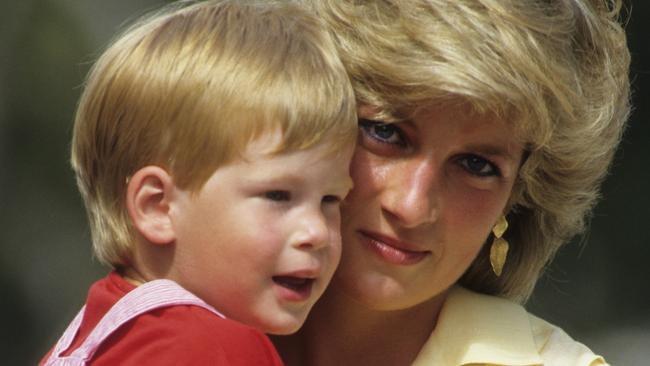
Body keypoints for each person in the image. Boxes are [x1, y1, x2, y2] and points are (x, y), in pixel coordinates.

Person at [273, 0, 630, 365]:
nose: (411, 207)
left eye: (476, 165)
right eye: (385, 131)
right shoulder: (213, 315)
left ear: (517, 198)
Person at [39, 0, 357, 365]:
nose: (316, 231)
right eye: (278, 195)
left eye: (331, 199)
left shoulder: (92, 337)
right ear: (157, 207)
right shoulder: (216, 349)